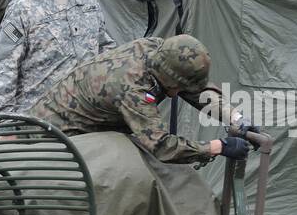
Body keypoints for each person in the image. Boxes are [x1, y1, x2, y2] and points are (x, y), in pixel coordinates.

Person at [30, 34, 252, 165]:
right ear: (169, 81)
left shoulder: (157, 50)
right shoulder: (133, 89)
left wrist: (235, 117)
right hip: (51, 140)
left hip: (74, 129)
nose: (179, 92)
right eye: (177, 88)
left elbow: (193, 89)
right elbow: (161, 146)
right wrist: (216, 147)